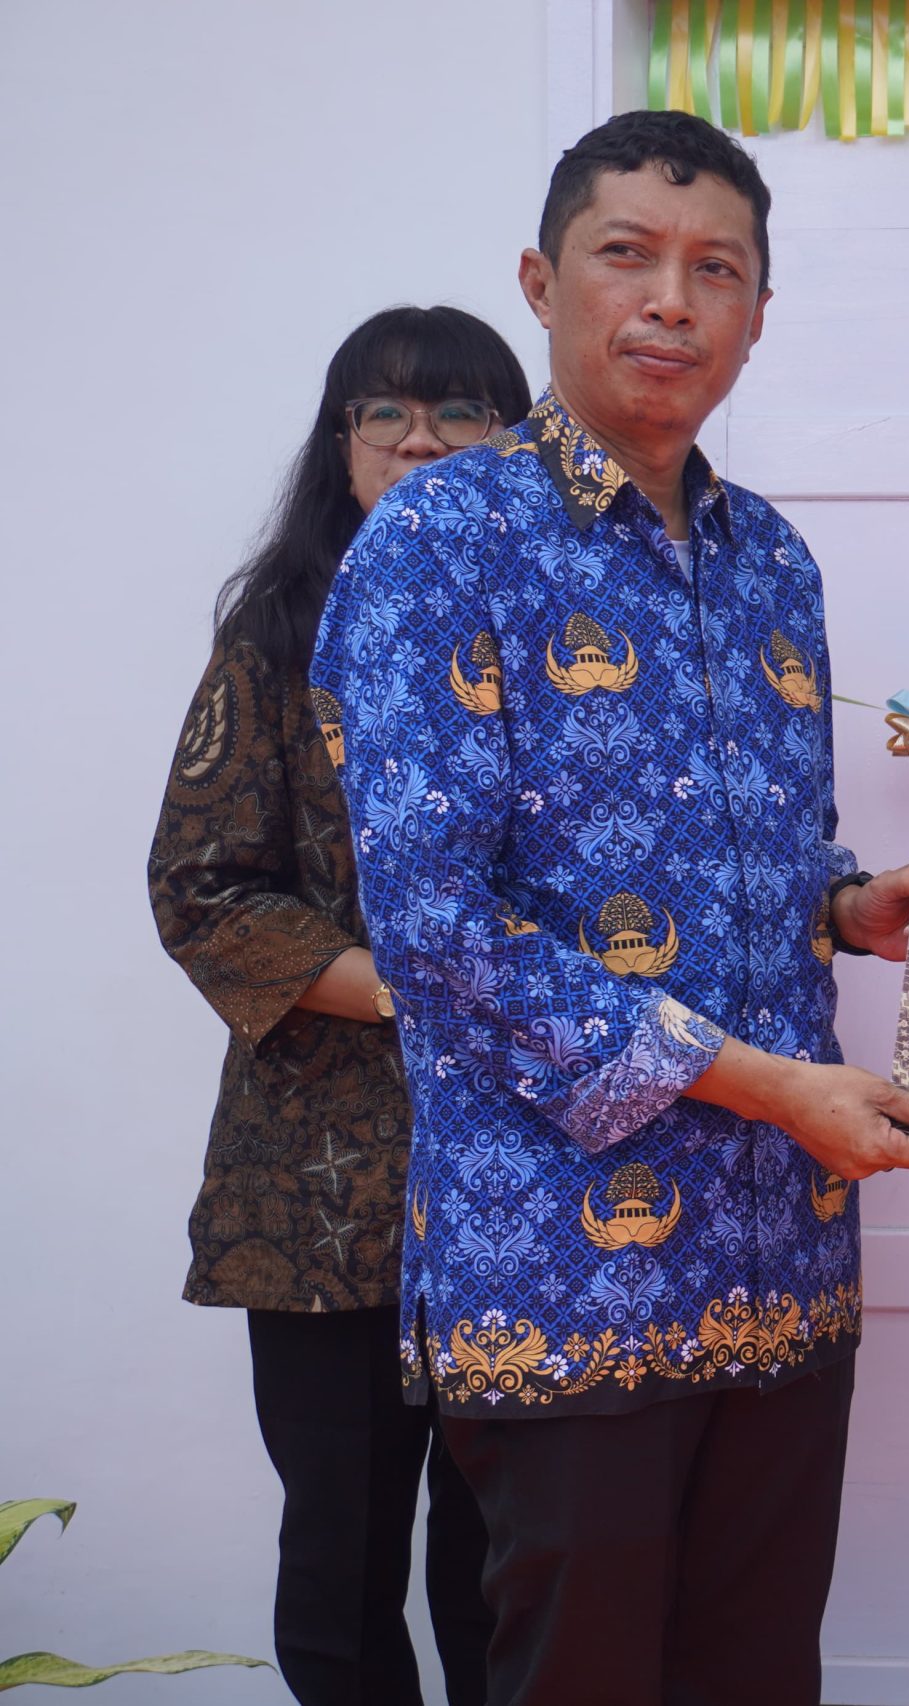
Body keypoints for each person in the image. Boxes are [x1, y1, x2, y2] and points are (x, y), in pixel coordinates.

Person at [310, 111, 909, 1706]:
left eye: (715, 269)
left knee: (757, 1677)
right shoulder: (437, 545)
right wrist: (768, 1084)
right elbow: (438, 930)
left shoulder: (773, 562)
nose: (672, 300)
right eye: (629, 255)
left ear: (758, 312)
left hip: (783, 1260)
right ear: (543, 282)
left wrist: (848, 903)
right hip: (561, 1276)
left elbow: (741, 856)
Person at [148, 305, 528, 1706]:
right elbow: (202, 889)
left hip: (532, 1175)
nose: (421, 442)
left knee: (512, 1563)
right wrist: (420, 994)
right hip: (318, 1184)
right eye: (387, 415)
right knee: (341, 1561)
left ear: (515, 443)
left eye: (461, 414)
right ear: (342, 442)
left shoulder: (567, 634)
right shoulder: (274, 636)